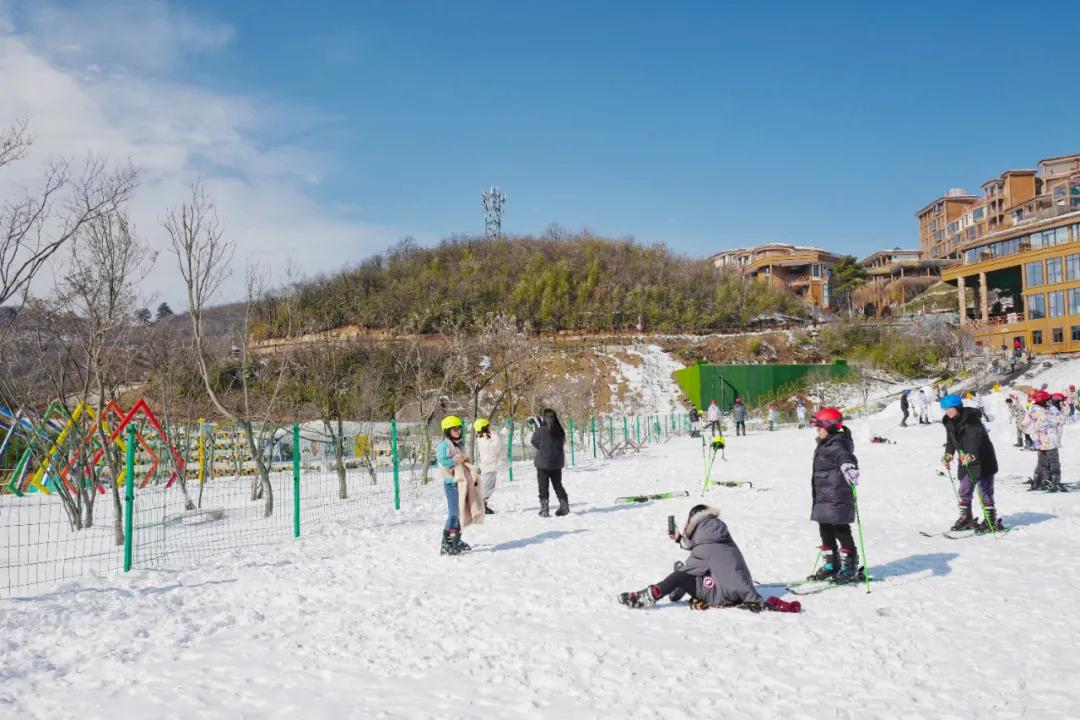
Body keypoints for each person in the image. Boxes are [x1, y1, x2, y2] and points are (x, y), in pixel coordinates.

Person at [617, 505, 798, 612]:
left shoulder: (705, 549)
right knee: (684, 569)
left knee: (680, 573)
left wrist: (674, 591)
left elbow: (690, 567)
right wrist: (680, 539)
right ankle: (670, 589)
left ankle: (648, 596)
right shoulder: (719, 537)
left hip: (722, 596)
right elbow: (702, 553)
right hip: (735, 589)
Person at [807, 407, 863, 584]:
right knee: (824, 529)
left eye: (820, 427)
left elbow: (845, 457)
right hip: (824, 494)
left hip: (837, 495)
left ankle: (850, 566)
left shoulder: (837, 443)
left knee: (841, 530)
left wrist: (849, 468)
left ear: (830, 427)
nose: (817, 430)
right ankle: (832, 564)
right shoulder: (825, 442)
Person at [940, 394, 1003, 532]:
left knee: (984, 490)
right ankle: (966, 518)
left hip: (983, 459)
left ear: (957, 407)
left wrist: (971, 455)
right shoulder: (949, 422)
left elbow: (977, 440)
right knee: (964, 489)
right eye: (945, 409)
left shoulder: (972, 421)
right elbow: (951, 441)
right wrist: (948, 454)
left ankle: (990, 520)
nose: (948, 412)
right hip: (966, 460)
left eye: (950, 408)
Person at [436, 416, 484, 555]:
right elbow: (443, 462)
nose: (458, 431)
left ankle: (456, 539)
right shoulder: (443, 446)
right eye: (454, 429)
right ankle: (446, 543)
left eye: (459, 428)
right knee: (453, 514)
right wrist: (456, 460)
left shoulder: (459, 444)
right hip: (452, 484)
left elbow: (464, 460)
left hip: (463, 483)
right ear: (447, 431)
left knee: (462, 513)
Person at [1020, 391, 1067, 492]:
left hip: (1039, 441)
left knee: (1041, 462)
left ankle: (1038, 483)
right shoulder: (1050, 411)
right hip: (1051, 440)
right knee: (1054, 461)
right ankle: (1054, 483)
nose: (1049, 401)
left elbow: (1024, 423)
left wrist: (1029, 431)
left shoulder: (1032, 409)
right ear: (1043, 401)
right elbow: (1062, 420)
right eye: (1047, 400)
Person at [531, 408, 569, 517]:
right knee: (558, 485)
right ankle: (564, 506)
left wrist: (541, 447)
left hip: (543, 462)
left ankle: (544, 509)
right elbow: (560, 444)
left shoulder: (541, 430)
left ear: (544, 418)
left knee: (543, 486)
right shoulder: (560, 430)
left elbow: (533, 441)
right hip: (557, 462)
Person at [473, 418, 508, 514]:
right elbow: (496, 445)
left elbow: (499, 437)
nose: (490, 427)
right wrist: (494, 434)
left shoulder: (487, 437)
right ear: (484, 428)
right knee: (486, 489)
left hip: (492, 467)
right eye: (488, 426)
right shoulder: (483, 440)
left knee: (489, 488)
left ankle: (482, 506)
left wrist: (505, 430)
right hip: (488, 468)